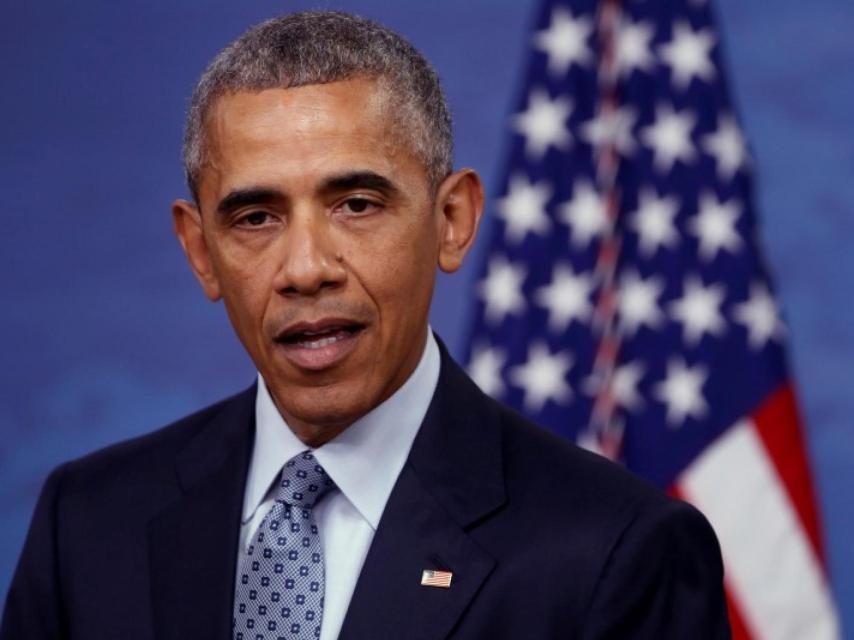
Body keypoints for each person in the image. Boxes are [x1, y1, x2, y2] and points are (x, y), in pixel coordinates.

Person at [1, 11, 730, 640]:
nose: (307, 267)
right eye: (256, 218)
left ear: (452, 220)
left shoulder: (618, 552)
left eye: (356, 204)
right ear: (201, 252)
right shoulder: (89, 524)